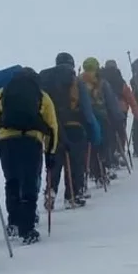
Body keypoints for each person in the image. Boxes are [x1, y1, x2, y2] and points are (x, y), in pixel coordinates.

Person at [0, 67, 59, 244]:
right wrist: (50, 152)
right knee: (29, 182)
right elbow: (52, 126)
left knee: (12, 181)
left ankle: (13, 222)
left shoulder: (3, 93)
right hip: (31, 142)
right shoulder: (42, 96)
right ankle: (27, 228)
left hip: (7, 142)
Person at [39, 53, 100, 208]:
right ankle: (74, 194)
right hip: (75, 126)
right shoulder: (76, 81)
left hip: (52, 127)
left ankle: (51, 190)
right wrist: (93, 130)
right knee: (75, 161)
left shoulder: (45, 80)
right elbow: (86, 109)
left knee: (54, 160)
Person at [80, 57, 124, 181]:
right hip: (101, 116)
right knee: (105, 142)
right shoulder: (102, 82)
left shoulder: (79, 82)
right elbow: (111, 102)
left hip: (83, 117)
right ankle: (106, 167)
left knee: (90, 145)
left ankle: (94, 171)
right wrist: (118, 117)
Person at [102, 59, 138, 164]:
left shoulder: (101, 79)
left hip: (105, 110)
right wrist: (136, 113)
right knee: (121, 133)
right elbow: (130, 98)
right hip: (121, 109)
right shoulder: (120, 81)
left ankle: (110, 156)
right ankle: (120, 153)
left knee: (109, 134)